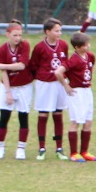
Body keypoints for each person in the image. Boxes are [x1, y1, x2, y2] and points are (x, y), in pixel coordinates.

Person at [28, 17, 71, 160]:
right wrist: (42, 77)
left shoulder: (63, 45)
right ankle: (42, 148)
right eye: (56, 31)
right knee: (43, 114)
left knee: (58, 114)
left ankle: (59, 148)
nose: (59, 33)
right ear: (48, 32)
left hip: (59, 83)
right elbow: (33, 65)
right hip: (45, 84)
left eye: (60, 30)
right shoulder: (39, 47)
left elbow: (66, 63)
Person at [0, 19, 33, 160]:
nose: (18, 38)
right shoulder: (2, 49)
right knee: (4, 117)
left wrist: (2, 66)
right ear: (7, 34)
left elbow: (22, 66)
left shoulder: (25, 45)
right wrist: (8, 92)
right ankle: (0, 147)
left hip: (24, 87)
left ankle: (21, 148)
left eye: (20, 35)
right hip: (8, 86)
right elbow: (4, 73)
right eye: (15, 35)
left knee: (23, 117)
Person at [62, 32, 96, 161]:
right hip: (76, 92)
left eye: (88, 44)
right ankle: (73, 153)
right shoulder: (73, 60)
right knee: (75, 121)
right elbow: (58, 72)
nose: (88, 46)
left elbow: (90, 68)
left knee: (88, 121)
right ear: (77, 48)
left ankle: (84, 151)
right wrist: (66, 86)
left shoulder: (90, 56)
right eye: (85, 45)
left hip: (87, 91)